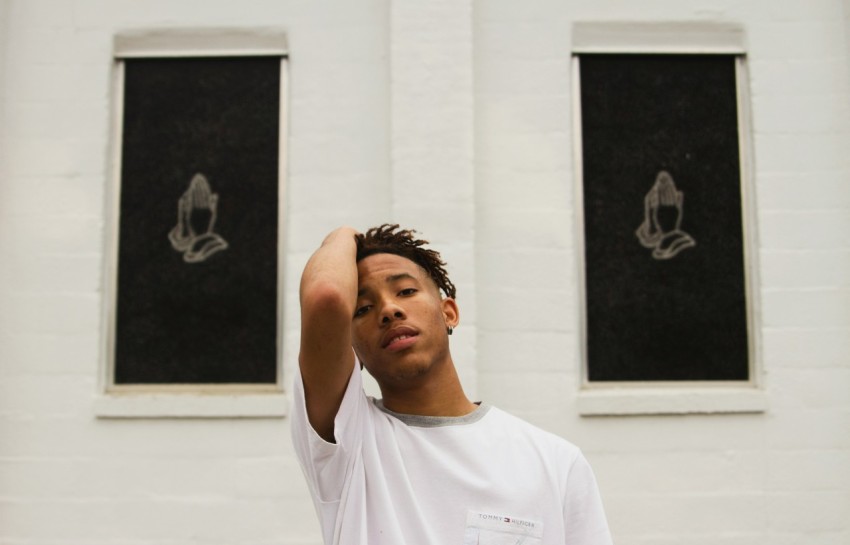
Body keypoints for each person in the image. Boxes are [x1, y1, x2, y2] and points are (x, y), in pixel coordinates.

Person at [291, 224, 613, 545]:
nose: (389, 310)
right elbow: (326, 295)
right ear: (351, 347)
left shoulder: (556, 463)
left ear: (449, 313)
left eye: (405, 291)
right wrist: (344, 234)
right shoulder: (347, 444)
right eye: (363, 308)